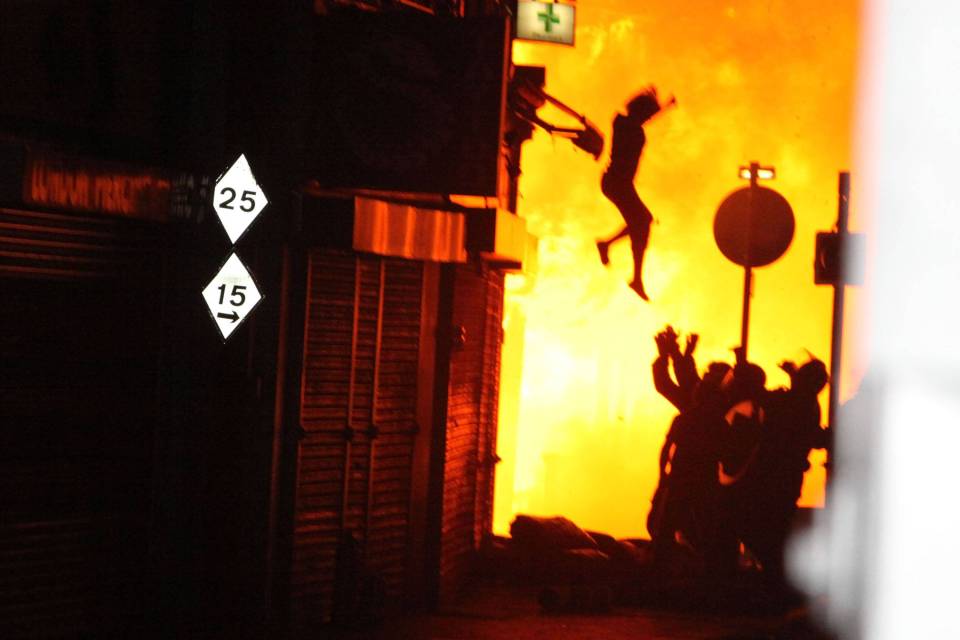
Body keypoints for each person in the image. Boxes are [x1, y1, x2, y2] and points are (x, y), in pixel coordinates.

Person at [595, 87, 675, 301]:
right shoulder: (626, 125)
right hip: (616, 183)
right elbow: (637, 121)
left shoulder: (624, 123)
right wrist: (662, 107)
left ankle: (610, 248)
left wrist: (664, 107)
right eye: (647, 114)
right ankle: (634, 276)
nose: (648, 118)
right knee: (642, 221)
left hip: (619, 184)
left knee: (642, 221)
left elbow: (641, 118)